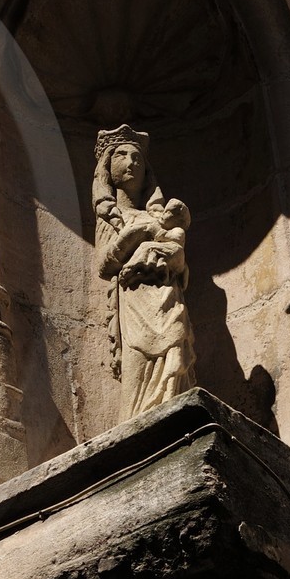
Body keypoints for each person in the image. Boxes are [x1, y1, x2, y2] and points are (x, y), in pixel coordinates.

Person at [92, 125, 195, 418]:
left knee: (175, 340)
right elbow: (105, 263)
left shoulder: (158, 216)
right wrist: (138, 233)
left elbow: (179, 257)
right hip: (134, 294)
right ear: (107, 169)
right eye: (121, 156)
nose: (131, 162)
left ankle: (173, 407)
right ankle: (138, 415)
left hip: (166, 291)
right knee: (138, 356)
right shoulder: (110, 217)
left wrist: (171, 249)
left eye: (137, 157)